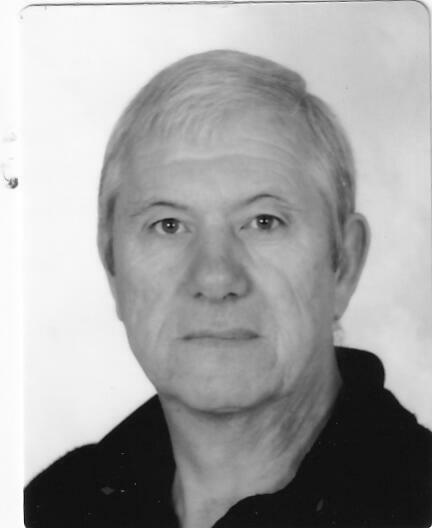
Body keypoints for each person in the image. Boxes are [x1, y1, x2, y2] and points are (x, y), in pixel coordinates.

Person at [24, 49, 432, 528]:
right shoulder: (53, 507)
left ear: (344, 264)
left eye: (264, 221)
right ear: (112, 266)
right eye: (168, 225)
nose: (215, 279)